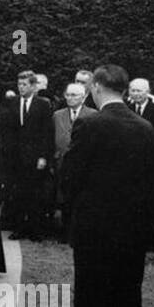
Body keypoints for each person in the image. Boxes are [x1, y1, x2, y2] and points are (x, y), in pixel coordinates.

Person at [60, 64, 154, 307]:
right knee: (128, 301)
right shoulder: (145, 127)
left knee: (92, 303)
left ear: (97, 88)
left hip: (95, 230)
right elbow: (151, 181)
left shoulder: (90, 125)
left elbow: (71, 176)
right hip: (132, 230)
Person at [5, 69, 54, 240]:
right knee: (18, 194)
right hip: (16, 157)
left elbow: (47, 133)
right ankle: (18, 228)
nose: (21, 88)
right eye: (19, 84)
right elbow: (8, 131)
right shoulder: (12, 103)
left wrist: (43, 157)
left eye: (25, 84)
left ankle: (35, 230)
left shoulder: (43, 104)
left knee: (36, 195)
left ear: (33, 86)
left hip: (35, 158)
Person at [52, 83, 97, 238]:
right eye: (68, 95)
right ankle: (64, 231)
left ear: (84, 97)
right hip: (61, 162)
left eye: (74, 95)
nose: (70, 98)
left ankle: (77, 230)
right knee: (63, 196)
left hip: (81, 164)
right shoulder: (57, 115)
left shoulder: (93, 115)